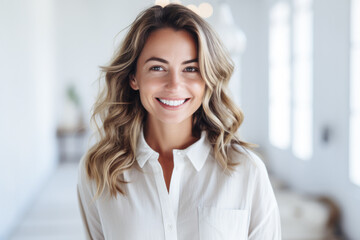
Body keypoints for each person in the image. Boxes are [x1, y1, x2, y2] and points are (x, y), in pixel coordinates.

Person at [77, 3, 281, 240]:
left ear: (208, 78)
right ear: (133, 77)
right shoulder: (98, 170)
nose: (174, 84)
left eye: (191, 68)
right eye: (157, 67)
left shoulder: (247, 171)